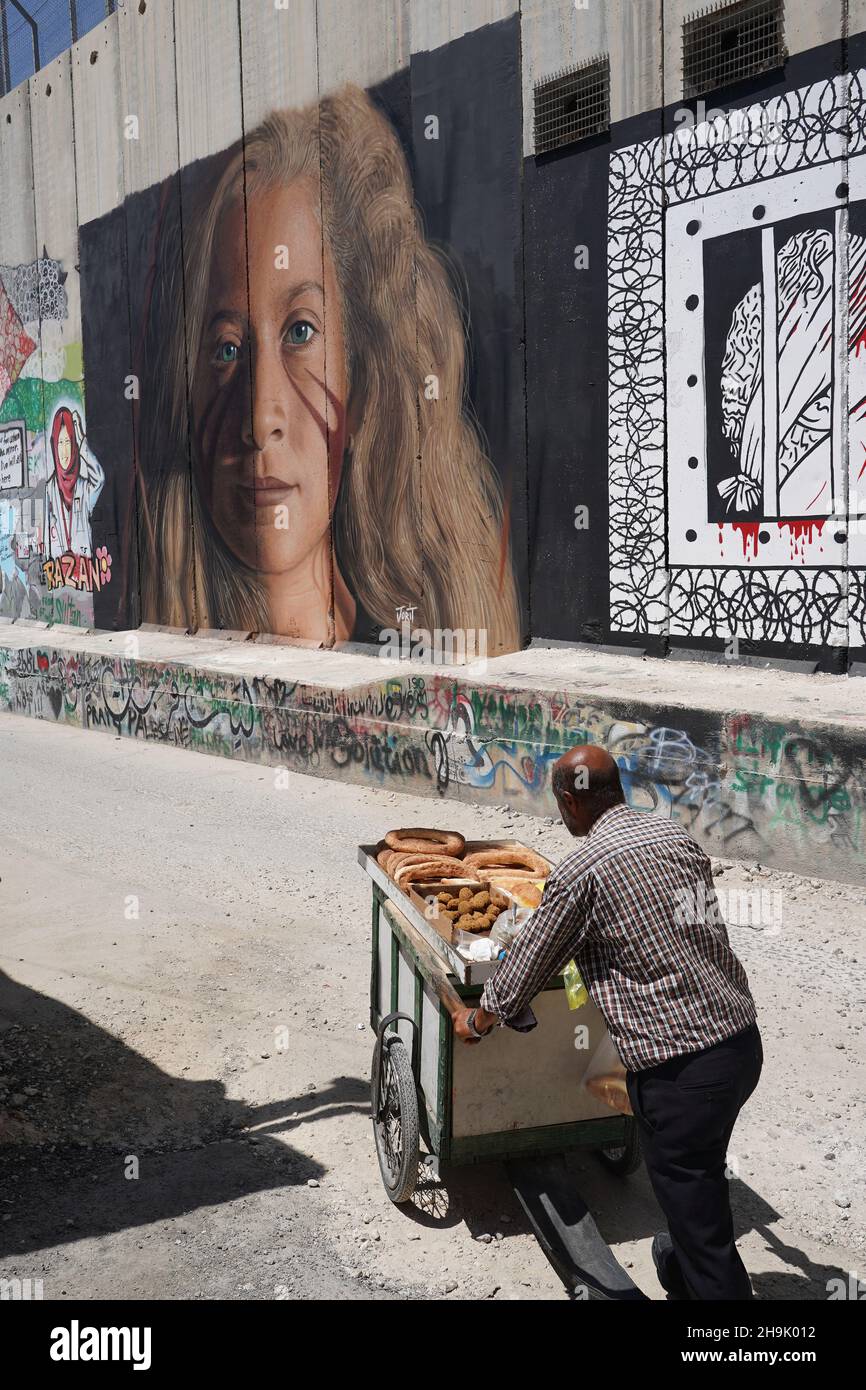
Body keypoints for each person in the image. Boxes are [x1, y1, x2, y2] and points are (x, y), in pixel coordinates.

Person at [138, 85, 520, 651]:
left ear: (361, 374)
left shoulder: (427, 641)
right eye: (226, 348)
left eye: (300, 331)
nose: (260, 415)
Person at [454, 743, 763, 1301]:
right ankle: (688, 1279)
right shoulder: (675, 837)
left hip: (680, 1071)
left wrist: (478, 1019)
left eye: (558, 801)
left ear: (571, 801)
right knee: (698, 1182)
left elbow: (528, 964)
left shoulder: (584, 869)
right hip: (739, 1043)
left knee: (698, 1221)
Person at [43, 406, 104, 560]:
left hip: (84, 577)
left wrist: (82, 441)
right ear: (54, 446)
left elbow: (99, 479)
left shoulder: (83, 488)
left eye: (68, 442)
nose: (64, 451)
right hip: (58, 578)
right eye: (60, 443)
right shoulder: (49, 490)